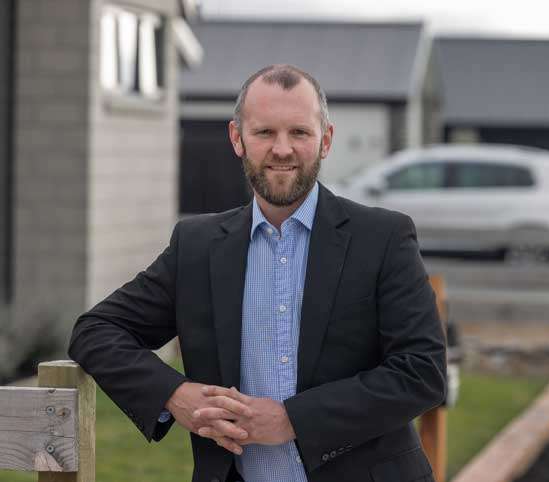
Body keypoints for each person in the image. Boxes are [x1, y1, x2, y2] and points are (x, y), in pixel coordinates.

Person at [68, 64, 446, 482]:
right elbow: (96, 330)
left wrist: (294, 420)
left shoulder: (383, 237)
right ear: (237, 138)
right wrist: (173, 395)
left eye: (299, 132)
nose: (282, 149)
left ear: (326, 140)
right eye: (265, 132)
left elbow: (422, 371)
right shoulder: (197, 246)